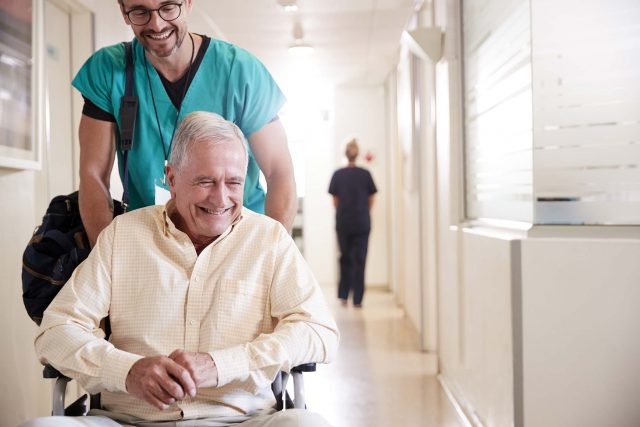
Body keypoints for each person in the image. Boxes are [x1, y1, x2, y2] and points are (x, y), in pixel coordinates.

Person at [21, 112, 339, 427]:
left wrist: (223, 364)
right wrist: (126, 370)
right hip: (128, 420)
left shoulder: (269, 240)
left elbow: (319, 332)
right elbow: (55, 331)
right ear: (172, 178)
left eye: (233, 182)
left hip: (243, 420)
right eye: (205, 181)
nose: (221, 198)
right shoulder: (123, 235)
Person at [76, 0, 297, 247]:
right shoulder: (109, 70)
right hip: (150, 242)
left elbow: (280, 172)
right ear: (123, 11)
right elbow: (92, 175)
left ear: (188, 3)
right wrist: (107, 257)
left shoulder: (239, 71)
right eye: (140, 12)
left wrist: (273, 256)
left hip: (237, 240)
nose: (157, 24)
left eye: (168, 7)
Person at [328, 139, 377, 308]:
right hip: (362, 222)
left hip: (344, 221)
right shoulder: (366, 174)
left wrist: (344, 211)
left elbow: (335, 200)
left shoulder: (338, 174)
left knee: (344, 257)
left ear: (345, 153)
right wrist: (363, 211)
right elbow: (371, 199)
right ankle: (358, 299)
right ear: (357, 153)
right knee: (360, 259)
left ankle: (343, 295)